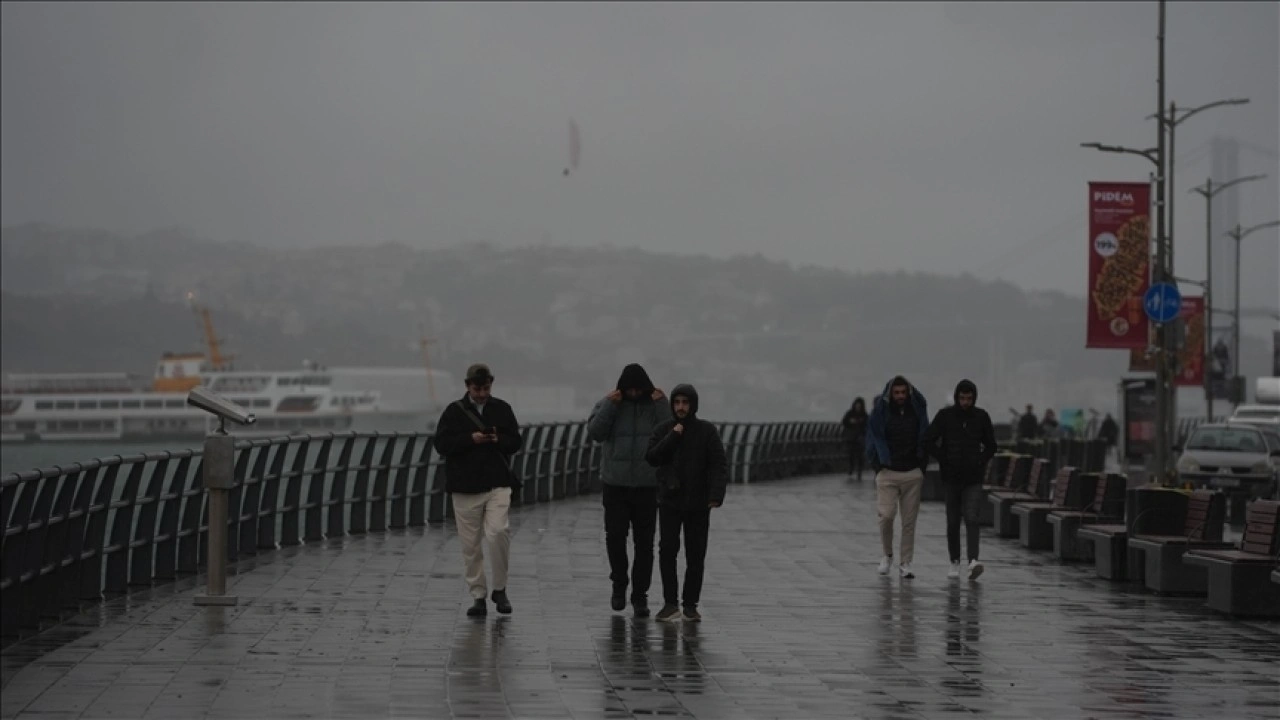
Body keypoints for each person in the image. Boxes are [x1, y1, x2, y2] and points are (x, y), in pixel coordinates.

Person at [432, 363, 524, 617]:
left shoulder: (502, 409)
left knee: (497, 532)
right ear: (467, 386)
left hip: (498, 482)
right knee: (470, 545)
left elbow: (515, 441)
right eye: (477, 388)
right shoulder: (453, 412)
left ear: (491, 385)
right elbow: (441, 444)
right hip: (464, 487)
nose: (482, 393)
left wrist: (499, 440)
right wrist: (469, 439)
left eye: (485, 388)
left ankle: (500, 589)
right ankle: (478, 595)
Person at [586, 363, 671, 618]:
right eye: (630, 389)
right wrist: (611, 405)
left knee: (644, 544)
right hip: (615, 484)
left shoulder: (655, 406)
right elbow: (595, 432)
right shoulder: (609, 403)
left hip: (647, 485)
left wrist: (662, 404)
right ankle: (619, 584)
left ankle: (640, 595)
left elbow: (670, 434)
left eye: (638, 389)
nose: (634, 393)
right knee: (615, 537)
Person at [645, 384, 728, 622]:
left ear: (693, 405)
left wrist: (715, 495)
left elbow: (718, 464)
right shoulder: (664, 430)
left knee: (696, 554)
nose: (681, 407)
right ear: (672, 404)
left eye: (685, 402)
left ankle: (690, 605)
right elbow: (652, 457)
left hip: (698, 503)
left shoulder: (706, 431)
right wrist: (673, 436)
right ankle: (670, 604)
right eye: (677, 402)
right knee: (667, 551)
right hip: (670, 501)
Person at [923, 380, 997, 581]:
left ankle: (973, 560)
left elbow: (991, 445)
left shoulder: (981, 417)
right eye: (962, 398)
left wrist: (980, 460)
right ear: (957, 397)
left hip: (973, 477)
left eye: (969, 398)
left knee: (972, 517)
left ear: (974, 398)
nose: (965, 402)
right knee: (953, 520)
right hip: (951, 477)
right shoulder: (945, 416)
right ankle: (954, 560)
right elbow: (928, 439)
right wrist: (943, 458)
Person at [866, 375, 930, 579]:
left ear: (908, 393)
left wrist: (921, 465)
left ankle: (906, 562)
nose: (900, 396)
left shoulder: (917, 411)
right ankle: (887, 555)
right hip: (887, 472)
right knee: (886, 516)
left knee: (909, 522)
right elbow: (872, 439)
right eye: (897, 393)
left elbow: (926, 434)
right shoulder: (881, 413)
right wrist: (877, 465)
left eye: (903, 392)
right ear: (890, 394)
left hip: (912, 471)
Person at [841, 397, 869, 480]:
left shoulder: (864, 414)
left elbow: (867, 425)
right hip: (851, 437)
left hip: (860, 438)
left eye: (859, 405)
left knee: (860, 455)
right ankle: (851, 467)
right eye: (857, 405)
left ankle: (859, 470)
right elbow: (844, 422)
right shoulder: (849, 413)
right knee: (850, 454)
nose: (858, 407)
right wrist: (850, 421)